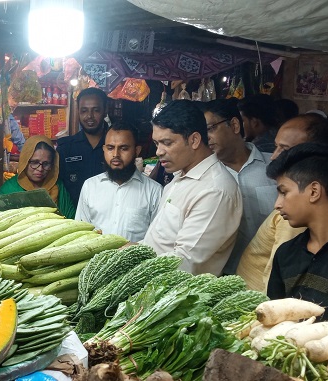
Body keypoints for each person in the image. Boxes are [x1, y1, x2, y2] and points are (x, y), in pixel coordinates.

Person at [236, 114, 328, 292]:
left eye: (284, 149)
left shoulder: (306, 210)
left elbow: (288, 279)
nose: (273, 156)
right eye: (275, 147)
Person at [141, 100, 242, 276]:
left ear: (194, 140)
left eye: (167, 142)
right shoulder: (179, 177)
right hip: (151, 279)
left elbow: (185, 262)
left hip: (171, 292)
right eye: (157, 144)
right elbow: (161, 242)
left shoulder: (215, 190)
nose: (159, 152)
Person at [266, 143, 328, 323]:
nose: (277, 204)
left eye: (284, 192)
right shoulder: (285, 254)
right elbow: (272, 321)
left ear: (314, 191)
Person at [201, 99, 276, 275]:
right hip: (226, 278)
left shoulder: (274, 166)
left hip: (273, 273)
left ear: (234, 125)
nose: (206, 139)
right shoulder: (204, 179)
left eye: (210, 129)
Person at [76, 122, 162, 242]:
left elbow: (158, 239)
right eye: (110, 148)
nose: (116, 154)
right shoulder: (90, 186)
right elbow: (81, 233)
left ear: (137, 151)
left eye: (124, 148)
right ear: (104, 149)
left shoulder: (154, 190)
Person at [0, 135, 75, 218]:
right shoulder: (8, 190)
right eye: (34, 162)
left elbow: (71, 219)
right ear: (25, 161)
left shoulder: (58, 186)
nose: (40, 169)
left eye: (46, 164)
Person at [57, 87, 109, 206]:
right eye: (84, 111)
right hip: (74, 219)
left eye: (96, 110)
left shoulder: (115, 147)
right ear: (78, 111)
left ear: (105, 110)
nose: (89, 116)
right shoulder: (65, 149)